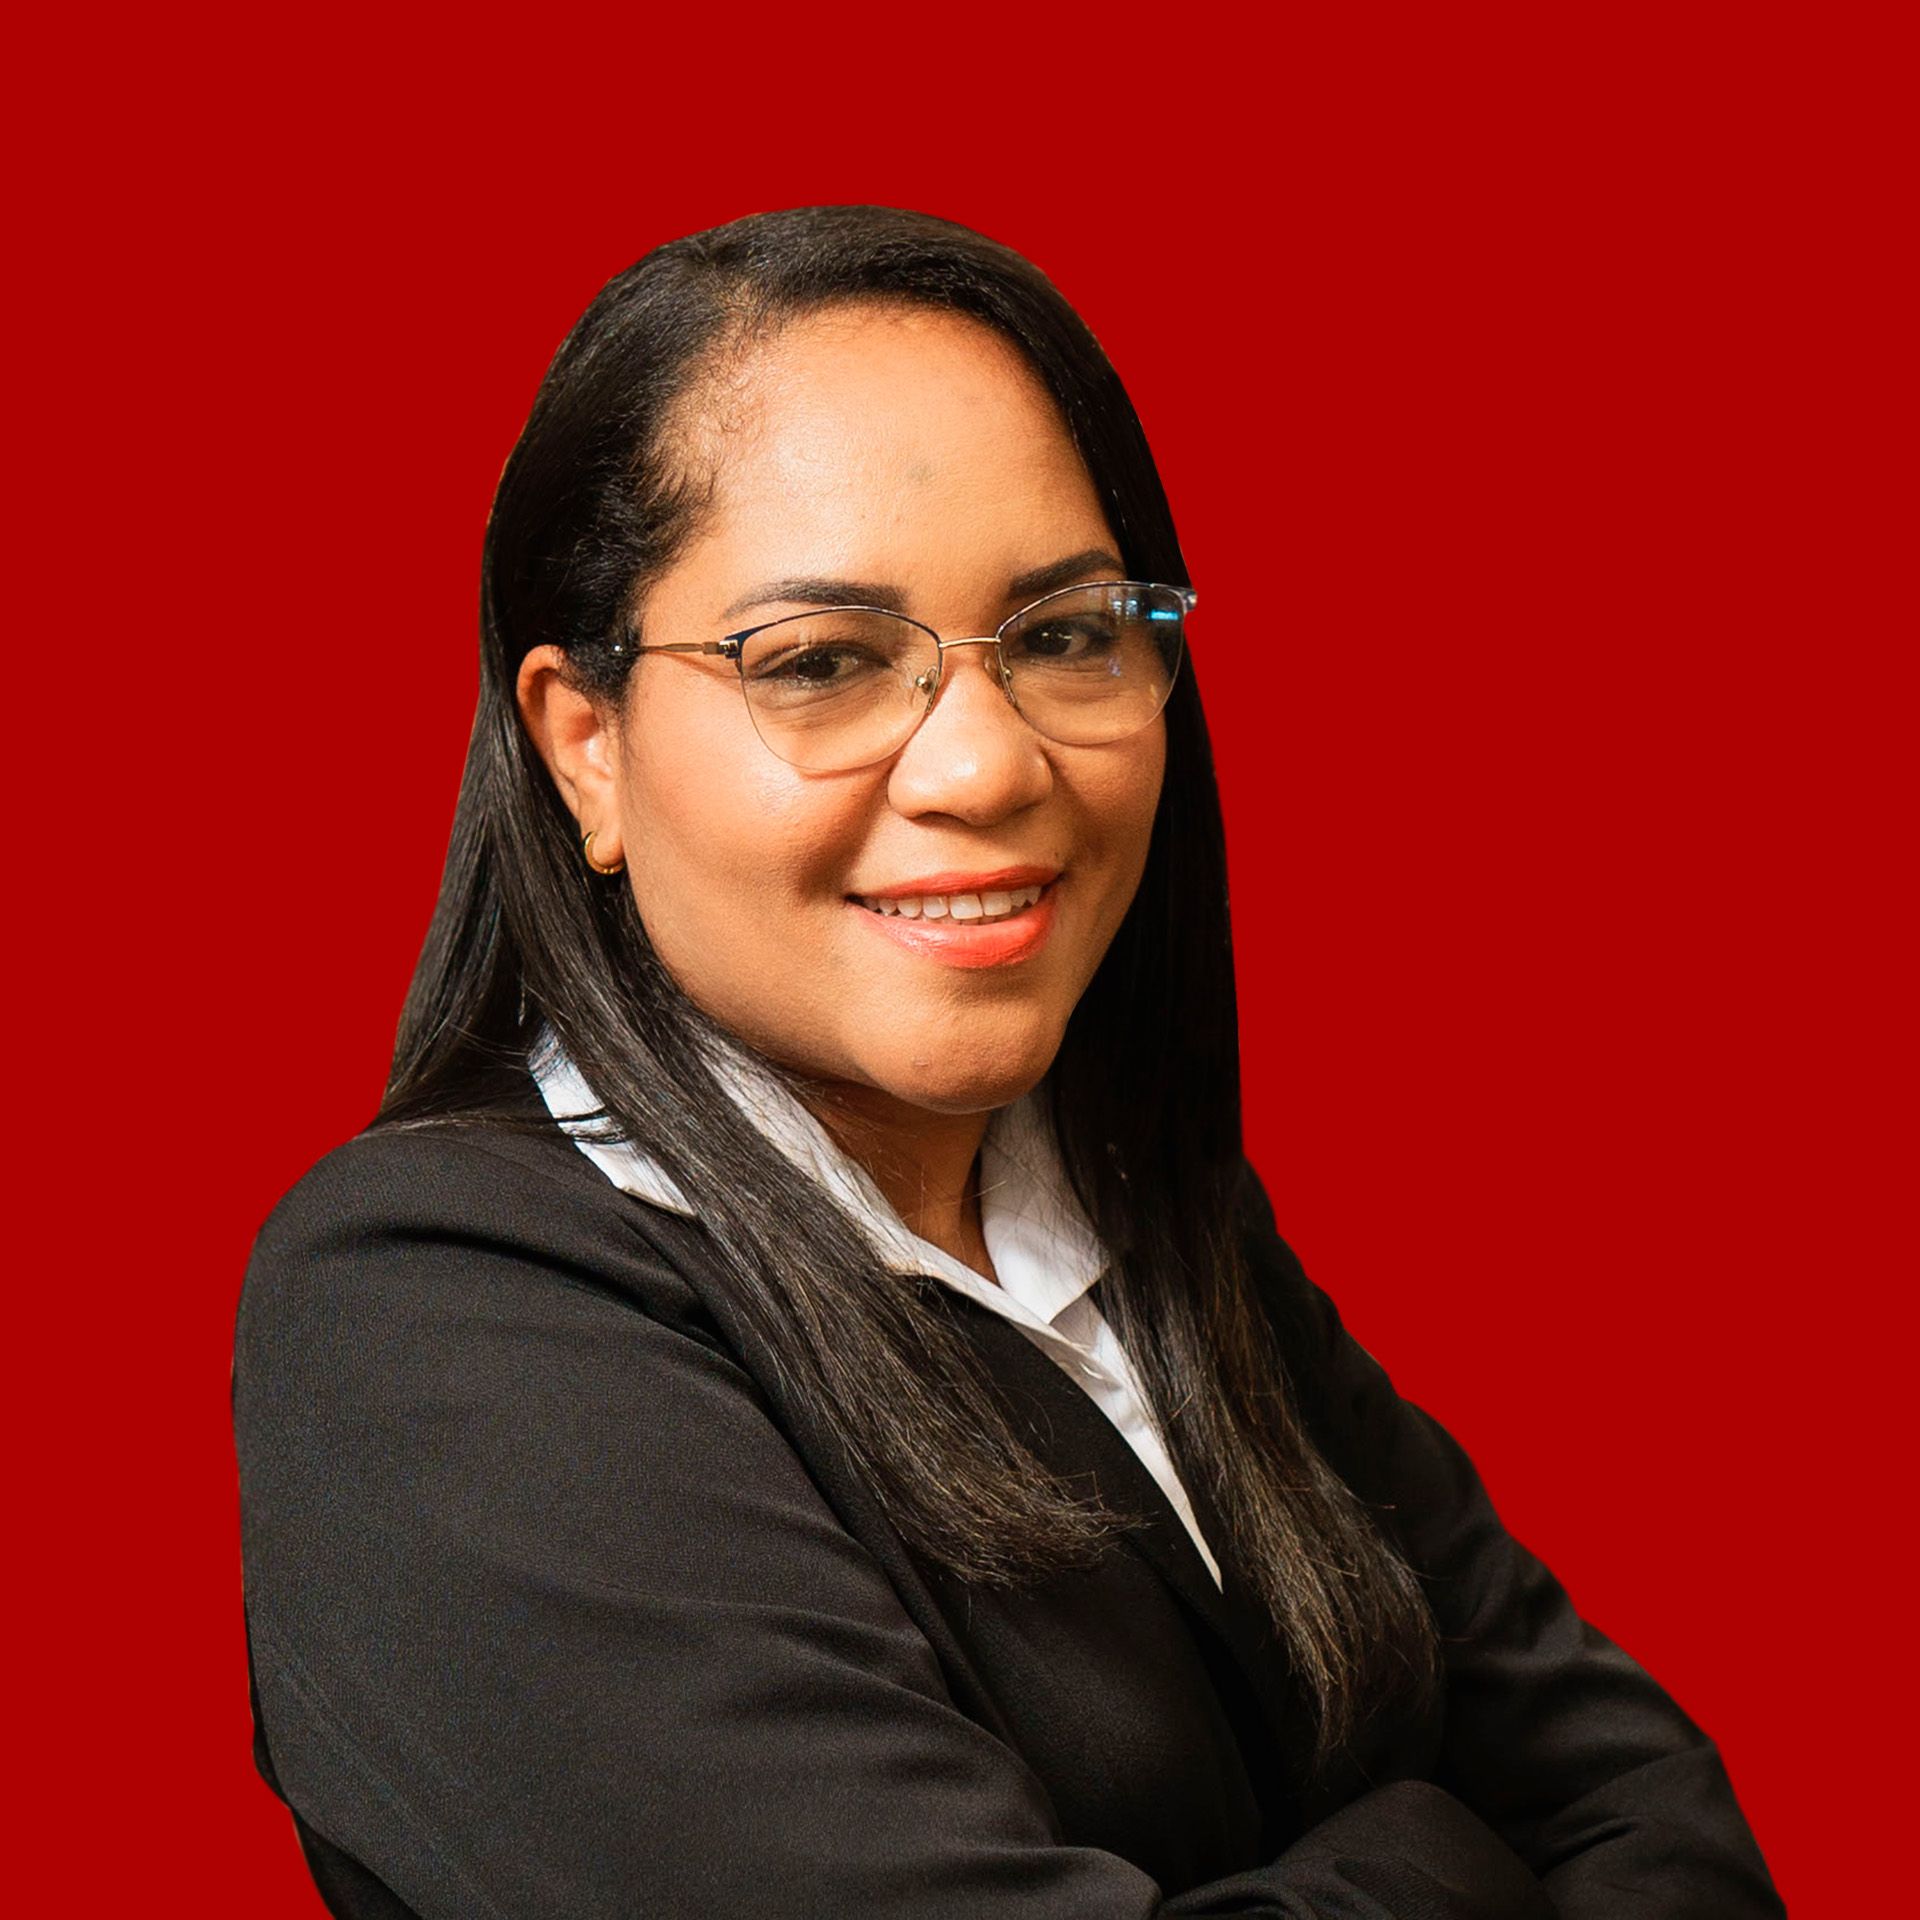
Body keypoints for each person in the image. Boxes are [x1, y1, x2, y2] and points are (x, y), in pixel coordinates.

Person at [231, 205, 1783, 1919]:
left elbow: (1665, 1830)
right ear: (583, 744)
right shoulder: (441, 1316)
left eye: (1062, 635)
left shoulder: (1143, 1223)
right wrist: (1438, 1856)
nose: (983, 765)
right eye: (819, 661)